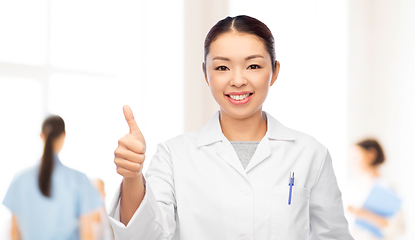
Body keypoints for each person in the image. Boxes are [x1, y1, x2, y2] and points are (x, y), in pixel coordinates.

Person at [108, 15, 353, 239]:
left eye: (253, 66)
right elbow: (144, 236)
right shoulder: (172, 156)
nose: (237, 80)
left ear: (274, 72)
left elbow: (334, 237)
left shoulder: (310, 153)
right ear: (206, 73)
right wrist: (132, 178)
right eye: (222, 67)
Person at [2, 115, 103, 240]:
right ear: (63, 136)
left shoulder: (19, 179)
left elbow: (14, 233)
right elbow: (87, 235)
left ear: (41, 136)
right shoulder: (79, 180)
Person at [346, 139, 405, 239]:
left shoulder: (386, 186)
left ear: (371, 154)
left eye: (357, 156)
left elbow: (399, 227)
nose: (353, 161)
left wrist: (365, 214)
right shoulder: (353, 184)